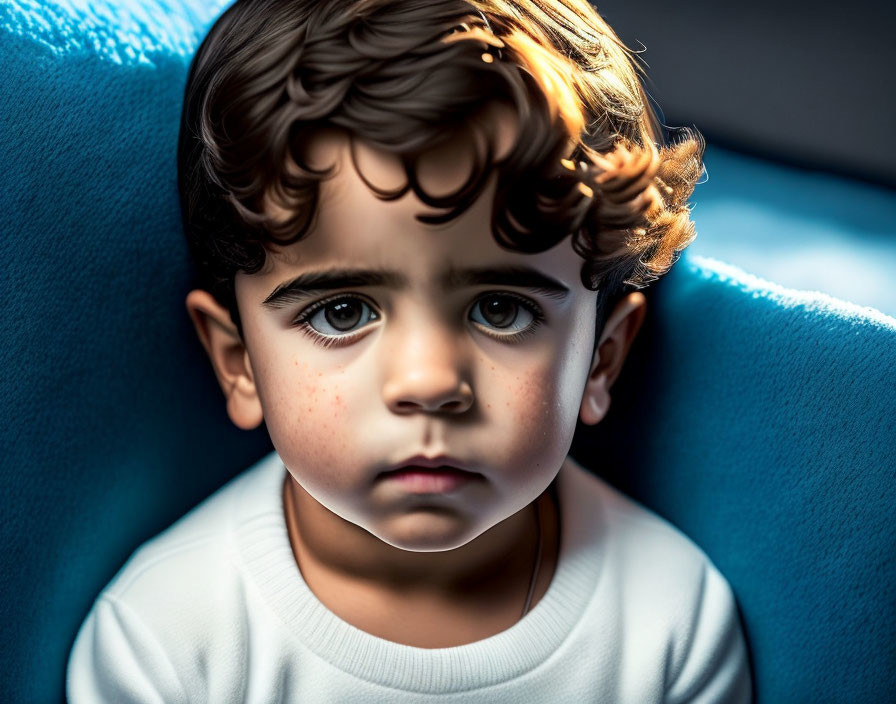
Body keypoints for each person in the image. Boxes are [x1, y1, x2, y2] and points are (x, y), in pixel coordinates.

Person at [67, 0, 752, 700]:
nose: (428, 382)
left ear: (600, 362)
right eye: (342, 312)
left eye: (500, 309)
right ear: (238, 362)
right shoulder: (164, 645)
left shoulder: (673, 626)